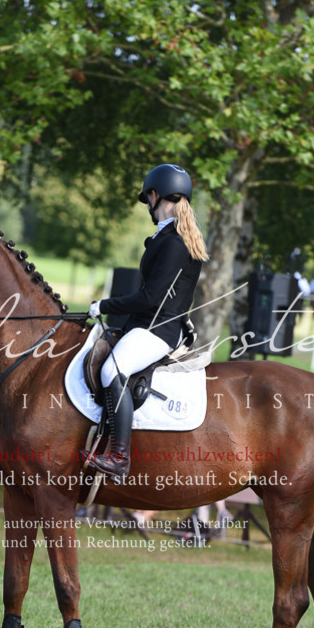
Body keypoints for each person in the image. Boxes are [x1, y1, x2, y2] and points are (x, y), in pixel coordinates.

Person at [87, 163, 208, 478]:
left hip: (156, 330)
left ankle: (119, 456)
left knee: (112, 369)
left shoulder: (173, 242)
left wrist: (104, 304)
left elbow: (151, 298)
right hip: (157, 326)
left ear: (155, 195)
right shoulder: (176, 237)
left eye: (148, 200)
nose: (148, 208)